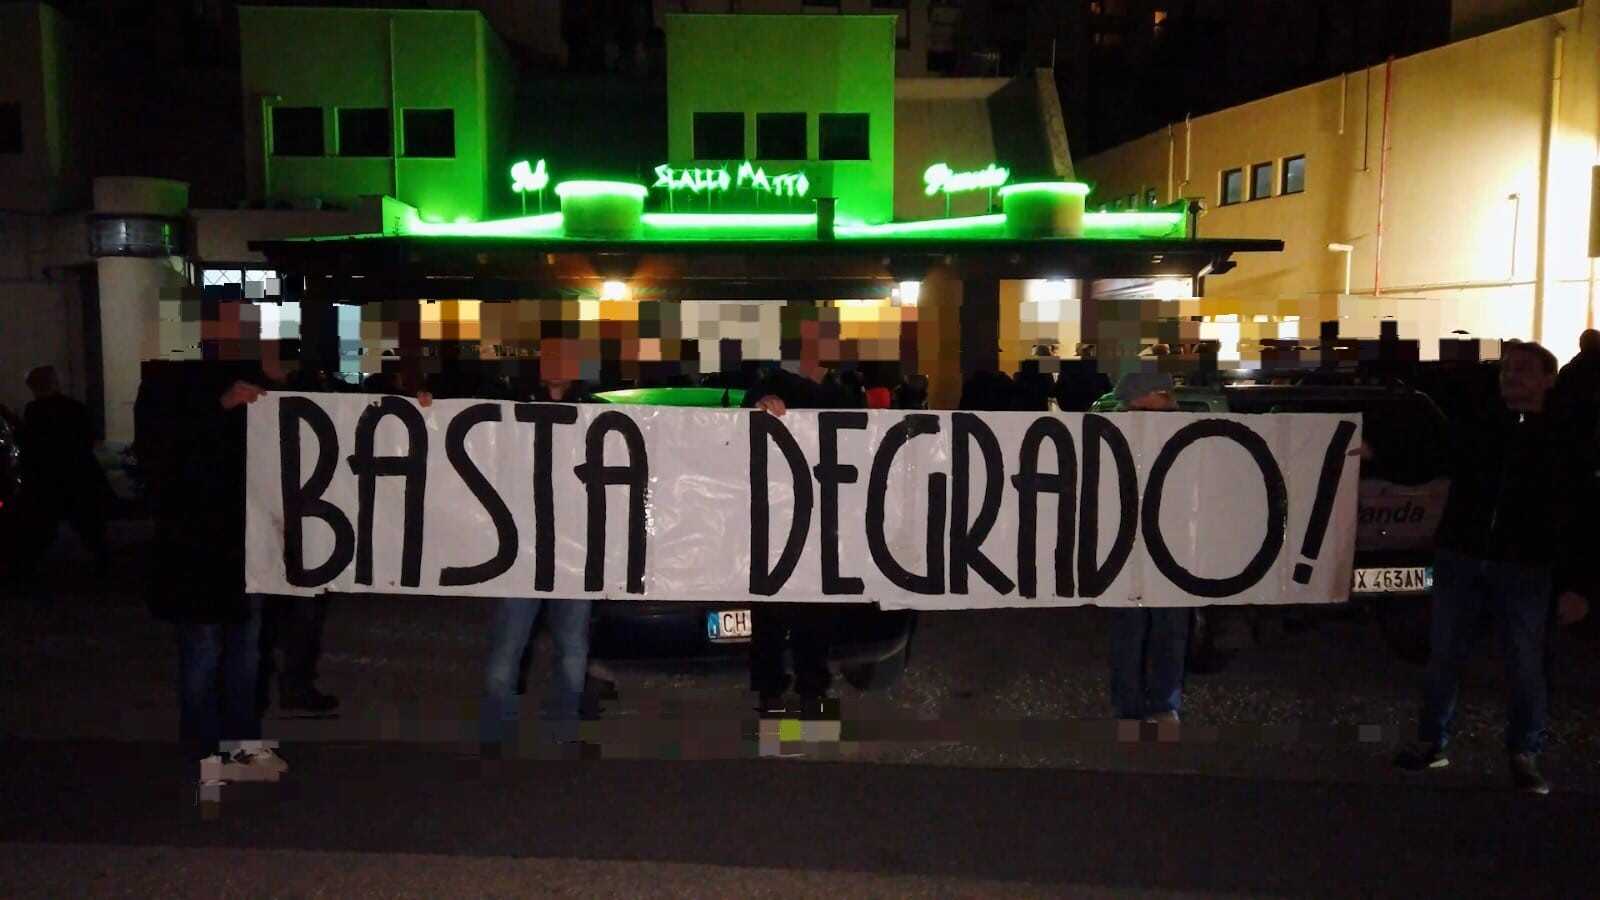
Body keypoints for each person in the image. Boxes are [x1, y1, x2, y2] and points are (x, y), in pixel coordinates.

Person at [1387, 341, 1585, 794]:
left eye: (1522, 370)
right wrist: (1375, 451)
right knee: (1443, 658)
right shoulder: (1480, 426)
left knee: (1524, 664)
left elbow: (1575, 517)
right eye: (1506, 370)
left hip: (1525, 567)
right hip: (1461, 558)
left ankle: (1523, 753)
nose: (1510, 377)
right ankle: (1430, 742)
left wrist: (1576, 584)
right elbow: (1430, 458)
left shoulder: (1562, 439)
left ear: (1548, 379)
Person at [138, 358, 287, 790]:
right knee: (205, 654)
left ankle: (240, 743)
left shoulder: (255, 386)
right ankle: (207, 750)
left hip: (243, 548)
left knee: (245, 654)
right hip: (195, 551)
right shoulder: (171, 388)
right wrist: (219, 408)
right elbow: (163, 455)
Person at [476, 341, 597, 753]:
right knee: (505, 651)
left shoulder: (598, 411)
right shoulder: (510, 406)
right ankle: (497, 733)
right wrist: (425, 407)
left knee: (573, 654)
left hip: (574, 552)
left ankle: (563, 732)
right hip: (522, 551)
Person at [745, 361, 858, 718]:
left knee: (817, 610)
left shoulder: (843, 390)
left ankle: (812, 693)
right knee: (771, 611)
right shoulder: (772, 382)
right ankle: (772, 698)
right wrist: (760, 405)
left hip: (825, 519)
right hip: (778, 518)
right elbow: (739, 424)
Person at [1105, 372, 1192, 725]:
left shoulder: (1186, 432)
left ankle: (1156, 703)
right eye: (1163, 394)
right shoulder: (1112, 437)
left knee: (1166, 627)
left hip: (1173, 548)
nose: (1171, 401)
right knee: (1133, 628)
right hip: (1130, 549)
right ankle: (1137, 705)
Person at [15, 365, 111, 579]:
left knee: (41, 525)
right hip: (78, 474)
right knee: (88, 525)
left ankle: (26, 568)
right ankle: (103, 564)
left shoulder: (34, 411)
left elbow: (29, 445)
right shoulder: (74, 408)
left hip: (48, 477)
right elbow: (88, 439)